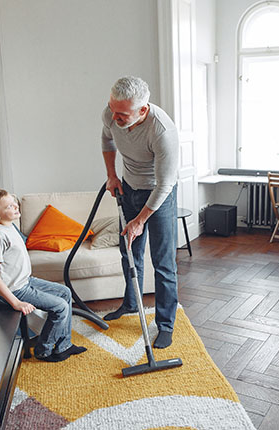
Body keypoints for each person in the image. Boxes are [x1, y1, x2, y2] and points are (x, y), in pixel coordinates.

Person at [100, 76, 179, 349]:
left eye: (122, 114)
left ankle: (165, 324)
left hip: (159, 195)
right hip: (129, 188)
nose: (114, 117)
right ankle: (131, 304)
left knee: (163, 262)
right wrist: (112, 175)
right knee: (129, 253)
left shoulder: (162, 131)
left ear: (142, 110)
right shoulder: (113, 113)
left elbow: (166, 183)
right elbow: (107, 138)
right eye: (112, 110)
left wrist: (139, 220)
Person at [0, 188, 87, 362]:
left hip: (23, 282)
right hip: (12, 290)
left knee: (65, 292)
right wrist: (16, 302)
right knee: (60, 307)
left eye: (13, 202)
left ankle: (63, 345)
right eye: (8, 206)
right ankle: (44, 350)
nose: (15, 206)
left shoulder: (7, 226)